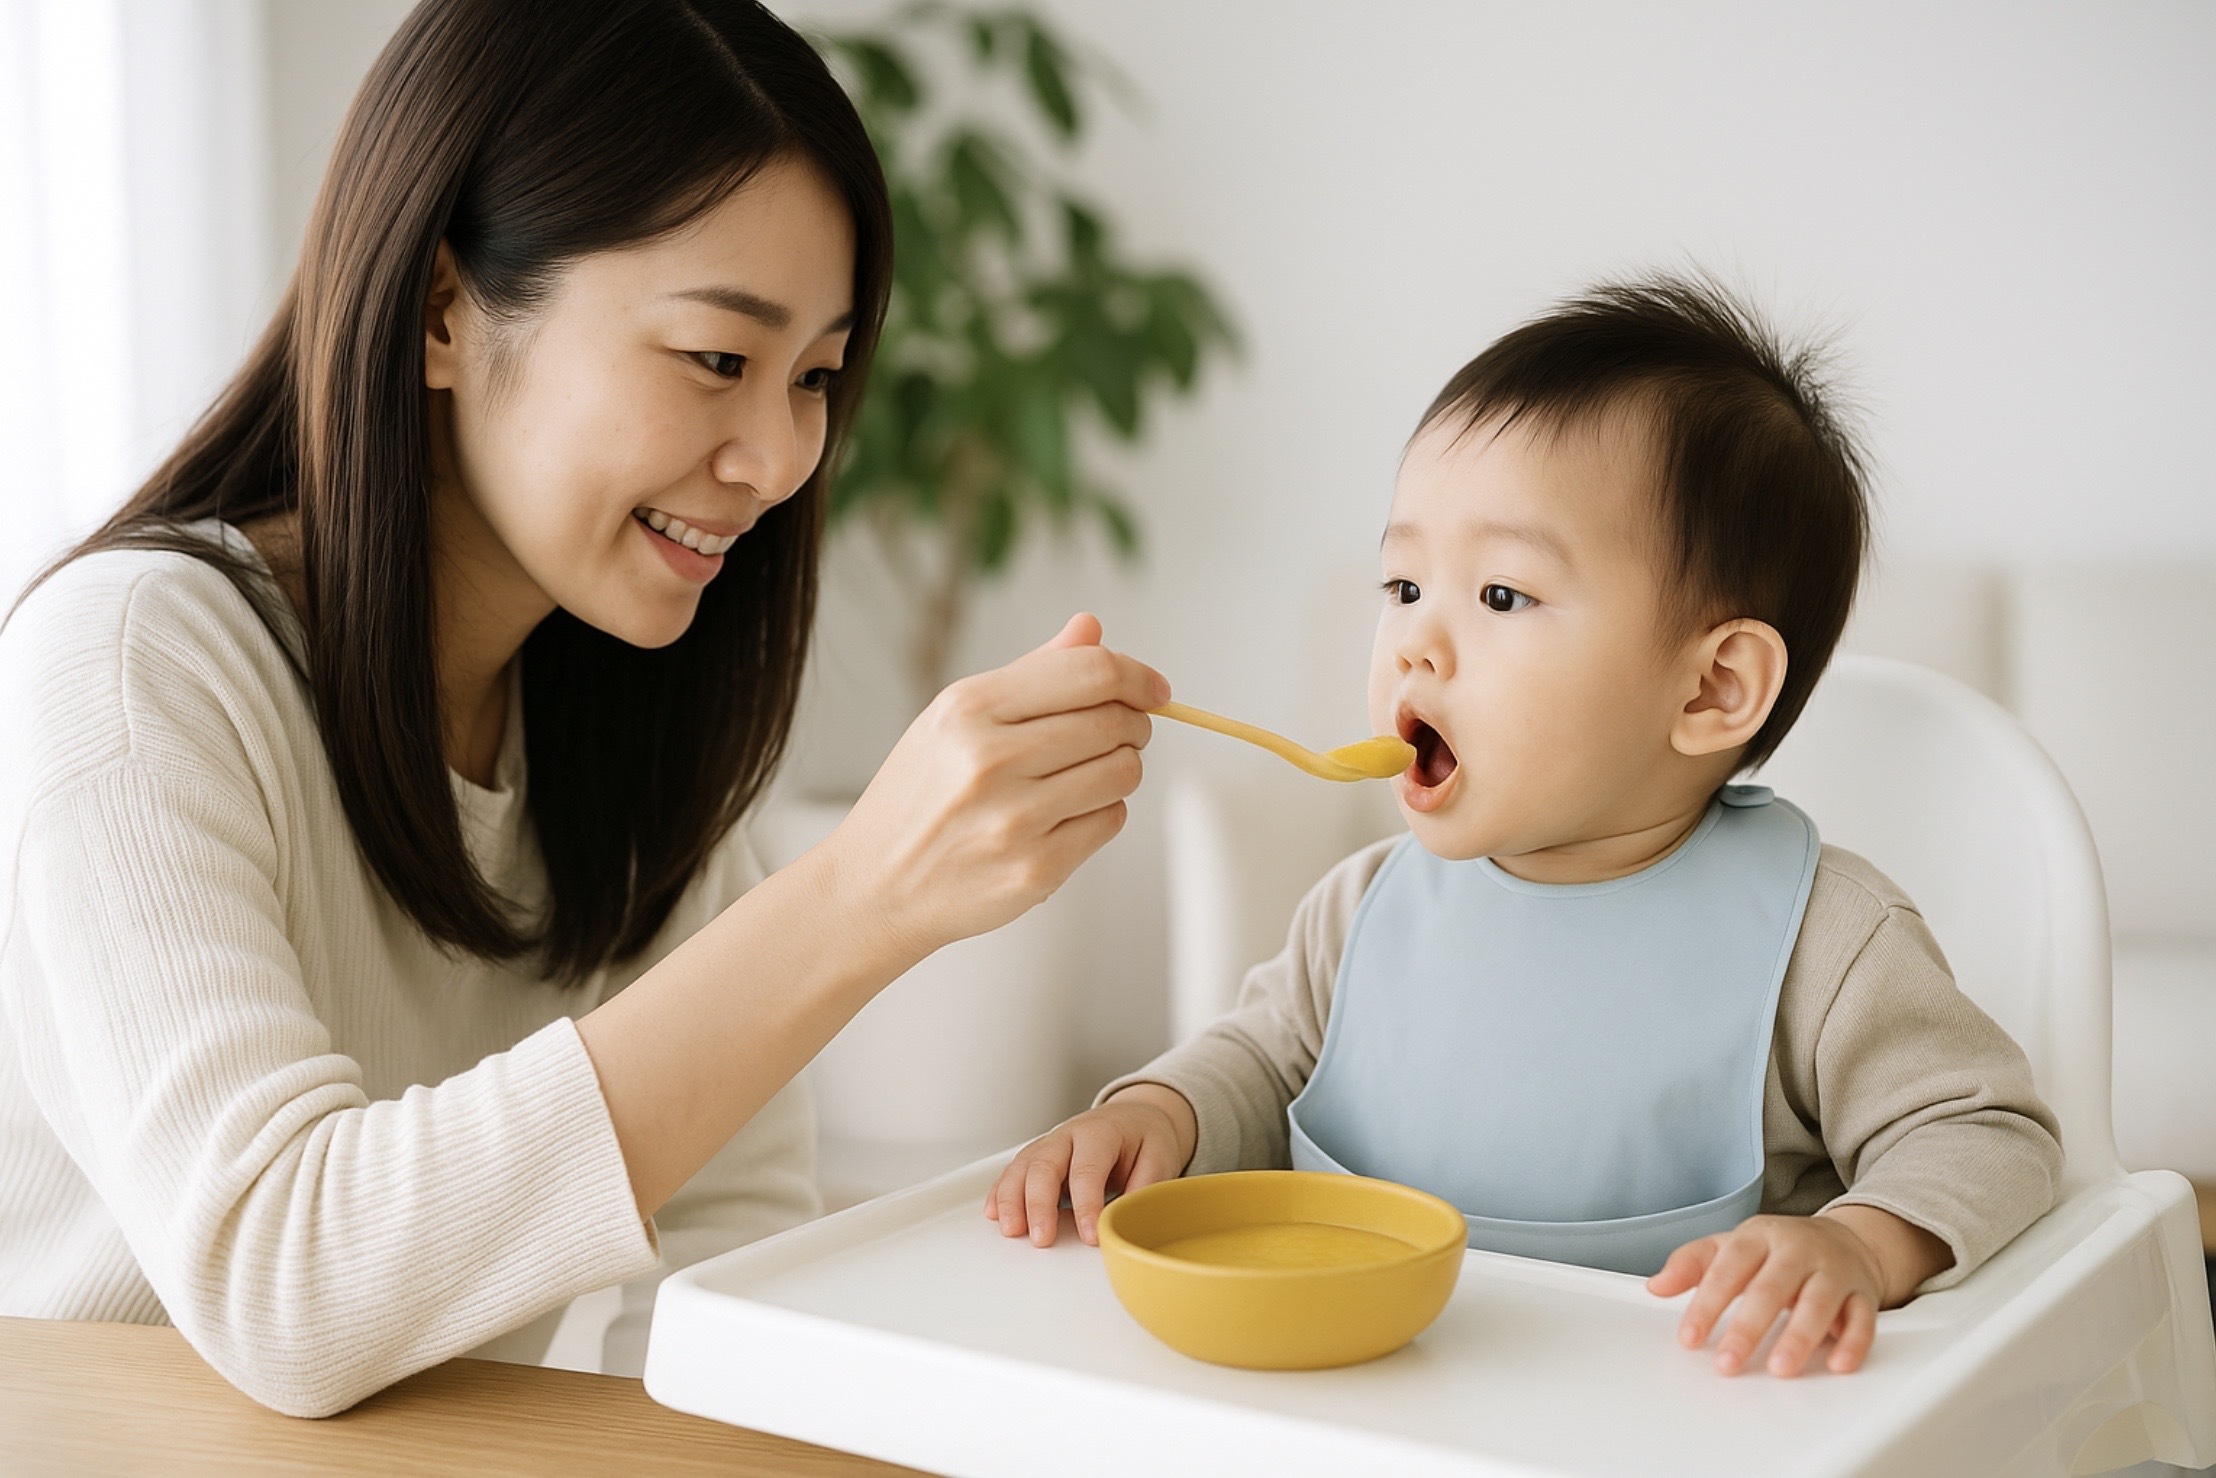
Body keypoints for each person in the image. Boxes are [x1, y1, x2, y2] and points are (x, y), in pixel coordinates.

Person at [0, 0, 1164, 1418]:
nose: (782, 456)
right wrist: (858, 897)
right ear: (440, 310)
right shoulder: (134, 663)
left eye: (814, 377)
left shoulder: (614, 711)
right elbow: (280, 1279)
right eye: (718, 360)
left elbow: (728, 1270)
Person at [988, 275, 2062, 1380]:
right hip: (1380, 1400)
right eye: (1401, 582)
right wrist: (1158, 1111)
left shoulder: (1821, 937)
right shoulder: (1362, 908)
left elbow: (1987, 1133)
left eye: (1499, 595)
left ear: (1710, 687)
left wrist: (1853, 1242)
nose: (1413, 642)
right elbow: (1261, 1066)